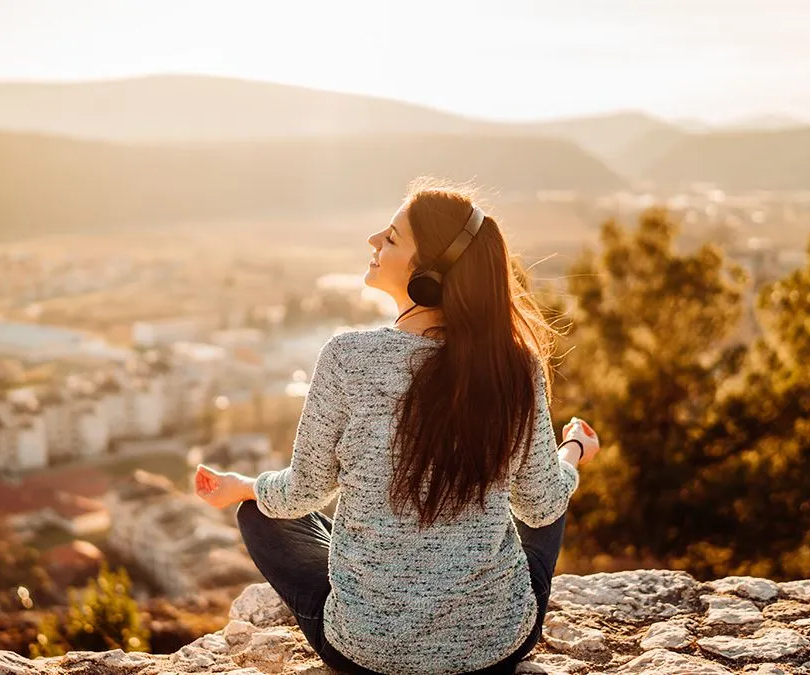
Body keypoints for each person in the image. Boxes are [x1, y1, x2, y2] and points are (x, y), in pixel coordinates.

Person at [194, 180, 600, 675]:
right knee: (552, 493)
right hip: (493, 652)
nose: (372, 240)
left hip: (367, 658)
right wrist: (572, 452)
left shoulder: (347, 358)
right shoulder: (515, 368)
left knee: (257, 513)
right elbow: (540, 505)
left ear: (428, 274)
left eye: (389, 238)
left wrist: (244, 486)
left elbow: (300, 495)